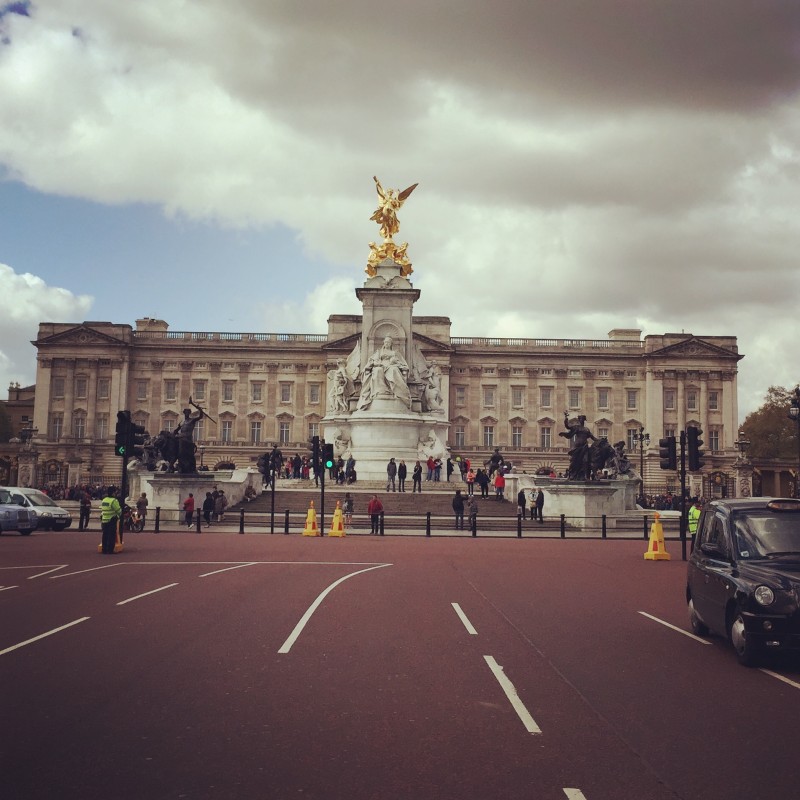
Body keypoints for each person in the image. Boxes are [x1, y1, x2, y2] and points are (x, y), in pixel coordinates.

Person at [357, 336, 411, 410]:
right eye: (385, 342)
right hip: (381, 365)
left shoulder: (395, 352)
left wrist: (395, 362)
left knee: (394, 371)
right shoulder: (379, 352)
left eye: (388, 342)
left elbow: (401, 362)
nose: (386, 343)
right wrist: (376, 363)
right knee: (377, 371)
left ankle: (397, 392)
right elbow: (373, 360)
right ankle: (381, 391)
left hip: (392, 366)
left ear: (391, 344)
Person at [559, 412, 598, 481]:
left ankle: (586, 476)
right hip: (577, 447)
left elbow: (593, 437)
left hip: (585, 446)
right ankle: (570, 474)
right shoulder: (576, 427)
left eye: (583, 419)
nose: (581, 420)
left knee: (585, 460)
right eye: (580, 419)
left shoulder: (586, 429)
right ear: (579, 420)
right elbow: (567, 426)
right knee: (573, 461)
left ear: (584, 420)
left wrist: (600, 441)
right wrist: (566, 418)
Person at [175, 407, 203, 474]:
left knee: (189, 455)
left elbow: (200, 416)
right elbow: (176, 431)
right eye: (185, 412)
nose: (186, 414)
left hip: (187, 440)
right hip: (181, 438)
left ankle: (192, 468)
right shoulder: (183, 422)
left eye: (188, 412)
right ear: (184, 413)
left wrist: (200, 409)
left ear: (189, 413)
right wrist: (176, 431)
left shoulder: (192, 420)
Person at [100, 486, 122, 554]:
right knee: (111, 535)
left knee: (105, 535)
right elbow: (119, 510)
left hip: (104, 519)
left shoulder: (104, 500)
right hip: (111, 519)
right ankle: (110, 550)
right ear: (113, 493)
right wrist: (119, 515)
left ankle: (104, 549)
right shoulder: (114, 501)